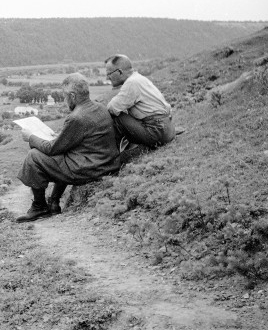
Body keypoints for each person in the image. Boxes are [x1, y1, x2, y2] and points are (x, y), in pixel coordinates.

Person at [15, 73, 120, 222]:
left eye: (64, 96)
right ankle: (54, 202)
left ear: (72, 96)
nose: (64, 100)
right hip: (108, 164)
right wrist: (60, 136)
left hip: (91, 168)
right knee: (63, 155)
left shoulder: (76, 117)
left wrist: (31, 137)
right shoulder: (100, 108)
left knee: (34, 156)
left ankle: (39, 206)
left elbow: (52, 149)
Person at [104, 54, 175, 150]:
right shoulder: (138, 78)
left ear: (119, 72)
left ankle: (112, 155)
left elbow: (112, 108)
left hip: (157, 132)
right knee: (124, 113)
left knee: (118, 117)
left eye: (109, 74)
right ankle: (123, 148)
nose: (107, 78)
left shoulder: (131, 83)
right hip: (167, 129)